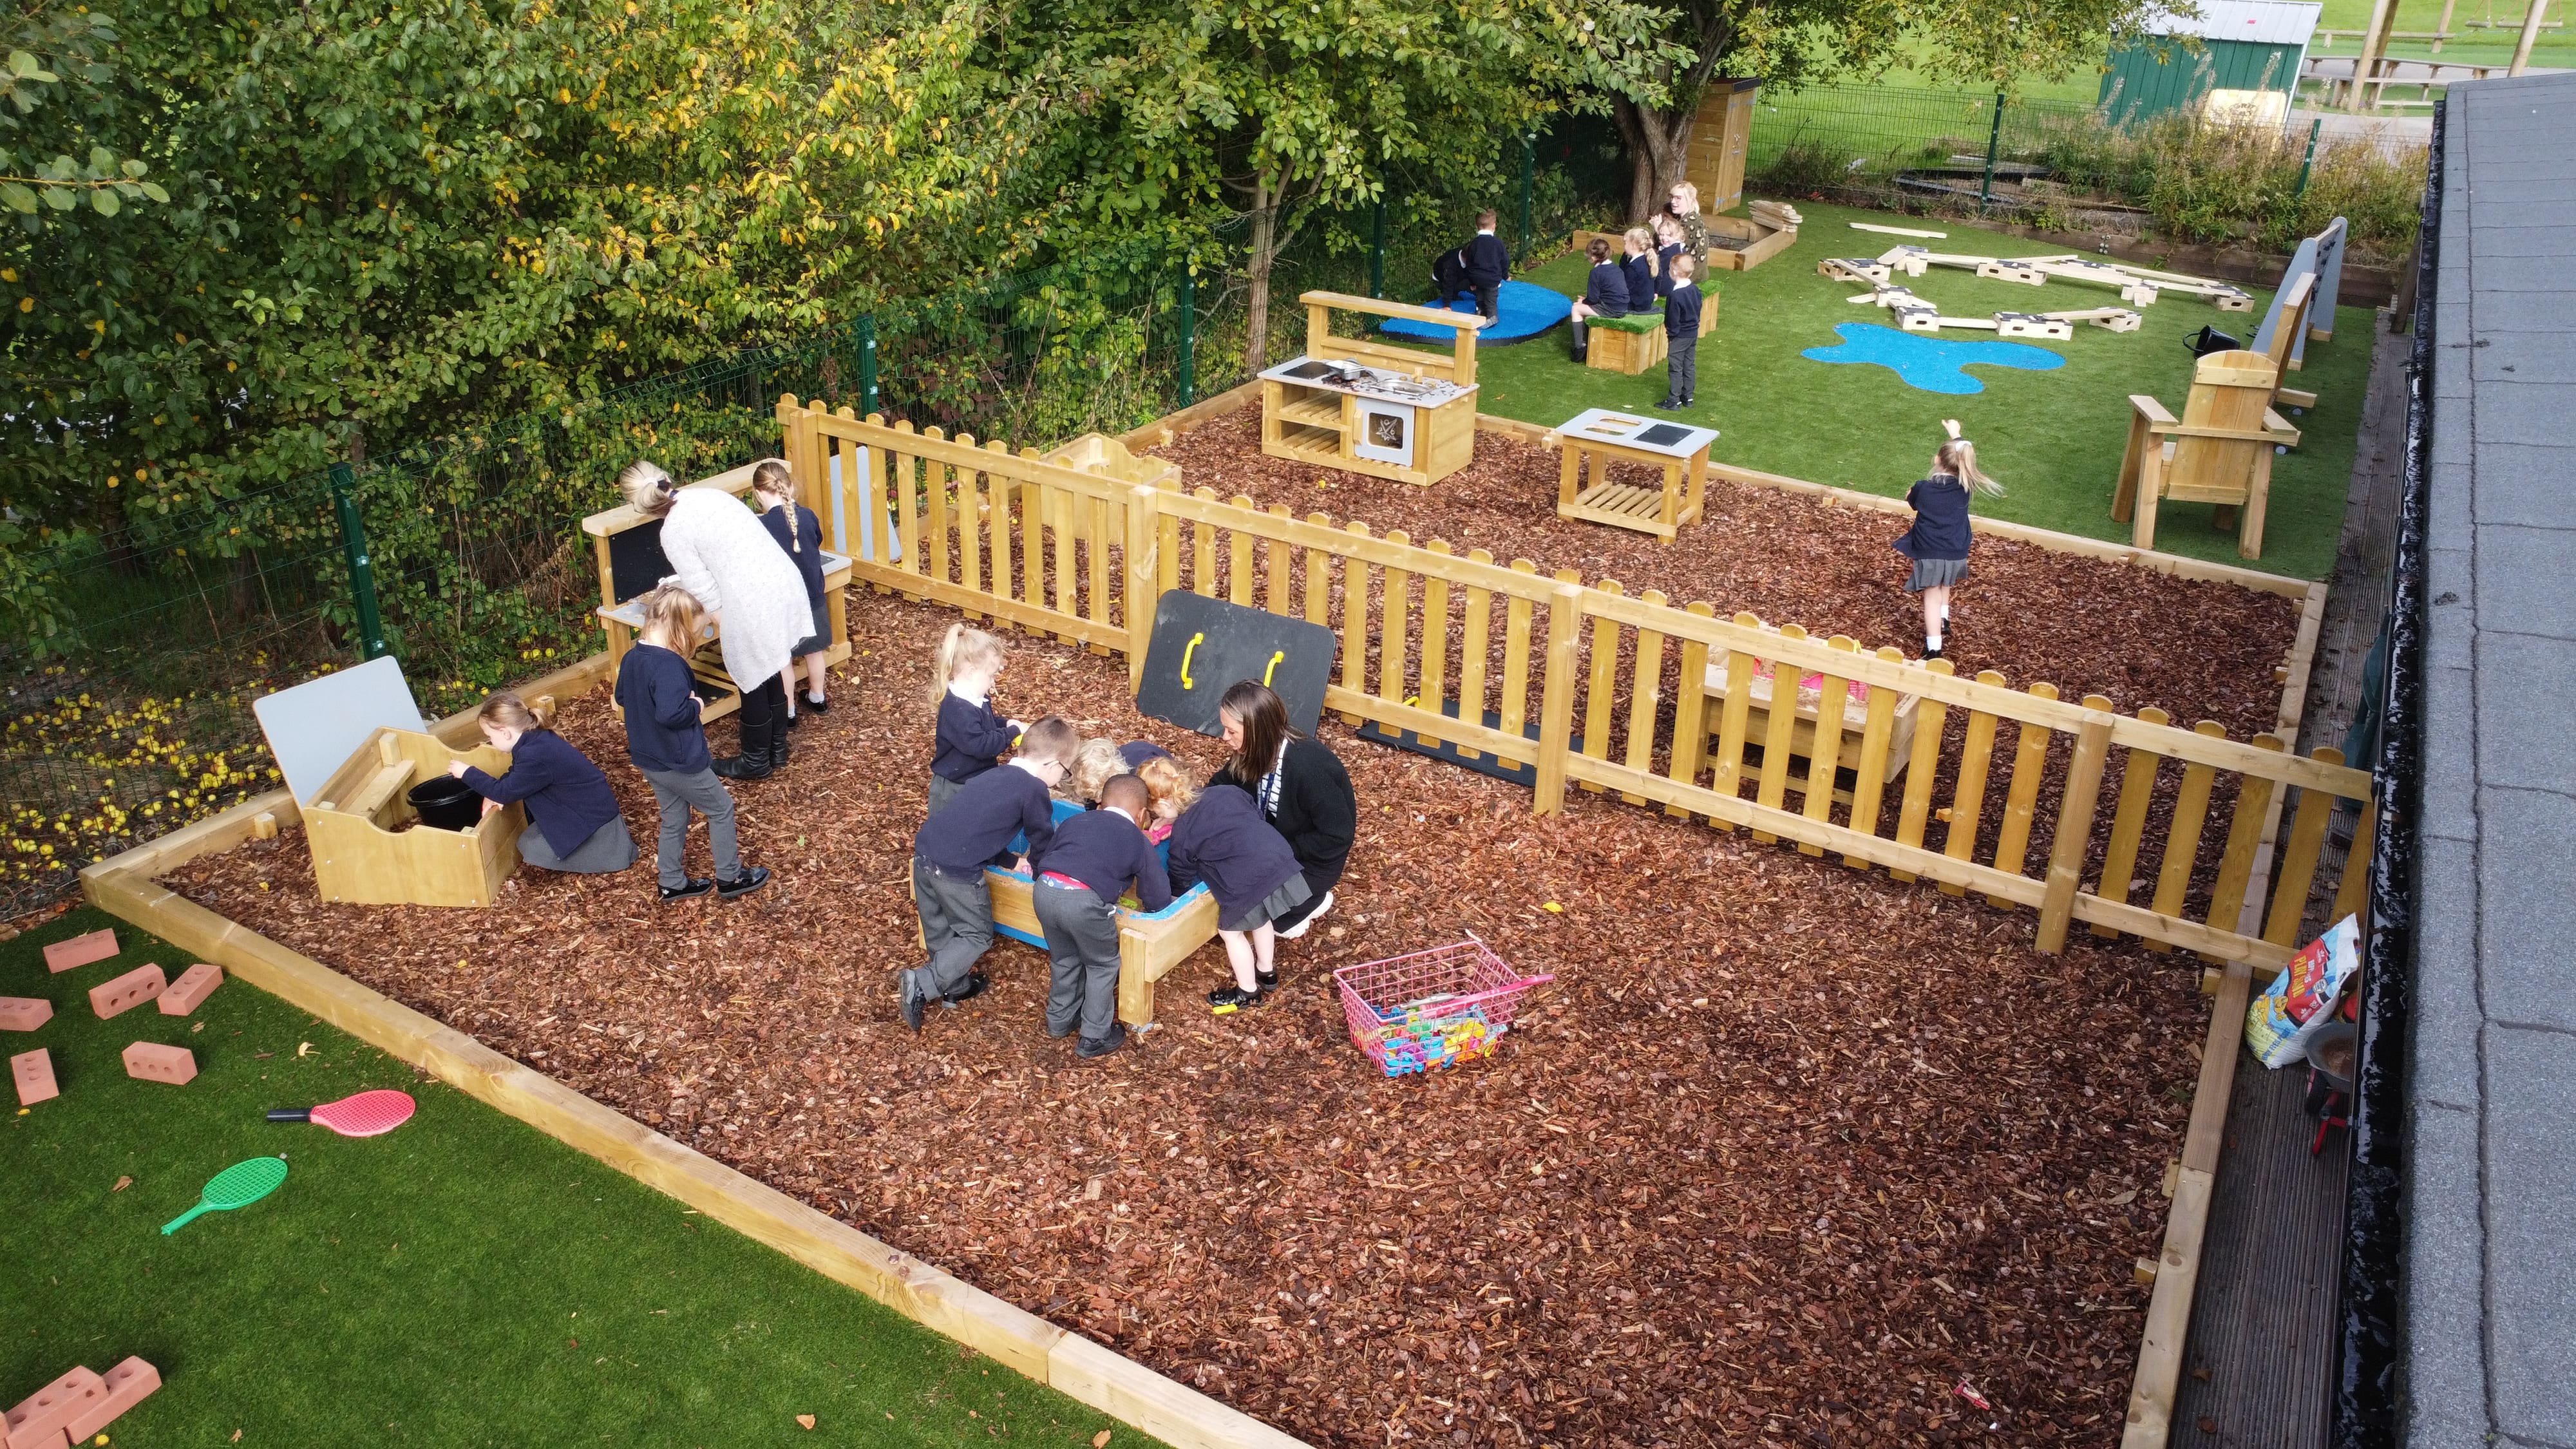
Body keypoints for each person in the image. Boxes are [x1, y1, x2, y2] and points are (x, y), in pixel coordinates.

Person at [618, 460, 808, 781]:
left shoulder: (673, 530)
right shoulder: (708, 496)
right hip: (780, 581)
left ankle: (755, 760)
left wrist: (729, 627)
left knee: (750, 675)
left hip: (751, 599)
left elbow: (704, 590)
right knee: (772, 662)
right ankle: (777, 749)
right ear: (667, 479)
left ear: (640, 507)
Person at [901, 715, 1081, 1031]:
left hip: (927, 852)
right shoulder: (1034, 790)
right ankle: (922, 982)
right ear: (1053, 765)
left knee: (940, 926)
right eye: (1064, 773)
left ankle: (954, 987)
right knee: (976, 934)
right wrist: (1041, 873)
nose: (1059, 780)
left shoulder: (992, 775)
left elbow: (975, 827)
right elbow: (1041, 840)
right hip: (957, 871)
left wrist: (1010, 861)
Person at [614, 585, 770, 902]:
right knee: (721, 809)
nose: (695, 641)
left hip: (649, 758)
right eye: (696, 634)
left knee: (674, 816)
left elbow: (621, 696)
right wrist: (695, 705)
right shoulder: (669, 666)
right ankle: (730, 876)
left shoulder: (633, 657)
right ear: (680, 628)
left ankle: (671, 881)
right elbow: (672, 715)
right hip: (681, 760)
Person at [1030, 773, 1172, 1059]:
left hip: (1045, 890)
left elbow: (1047, 853)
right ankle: (1095, 1036)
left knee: (1065, 958)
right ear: (1143, 815)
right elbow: (1156, 892)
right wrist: (1157, 910)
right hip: (1084, 901)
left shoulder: (1075, 822)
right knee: (1102, 965)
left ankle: (1059, 1021)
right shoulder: (1136, 838)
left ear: (1100, 804)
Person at [1204, 681, 1354, 941]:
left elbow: (1337, 836)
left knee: (1266, 921)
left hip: (1311, 861)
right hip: (1273, 845)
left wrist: (1280, 849)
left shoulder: (1310, 768)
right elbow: (1222, 785)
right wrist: (1193, 805)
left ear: (1256, 730)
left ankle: (1312, 901)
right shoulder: (1252, 750)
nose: (1224, 737)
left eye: (1231, 731)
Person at [448, 691, 639, 875]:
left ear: (505, 733)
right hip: (593, 815)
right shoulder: (536, 740)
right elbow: (516, 775)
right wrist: (491, 792)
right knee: (532, 838)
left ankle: (606, 857)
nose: (490, 741)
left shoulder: (534, 755)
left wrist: (466, 773)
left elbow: (505, 792)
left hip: (595, 827)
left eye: (490, 736)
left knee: (530, 847)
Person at [1166, 780, 1307, 1011]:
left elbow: (1180, 869)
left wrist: (1175, 898)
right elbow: (1254, 811)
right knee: (1262, 915)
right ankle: (1266, 971)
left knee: (1230, 932)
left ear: (1164, 803)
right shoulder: (1225, 791)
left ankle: (1248, 991)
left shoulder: (1183, 829)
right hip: (1277, 857)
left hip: (1247, 878)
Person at [1892, 420, 2003, 662]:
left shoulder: (1924, 489)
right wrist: (1956, 434)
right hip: (1956, 549)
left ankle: (1934, 649)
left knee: (1931, 594)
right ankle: (1944, 618)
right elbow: (1962, 453)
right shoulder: (1966, 487)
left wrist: (1911, 494)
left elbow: (1912, 501)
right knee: (1945, 582)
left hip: (1930, 549)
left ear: (1936, 460)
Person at [750, 460, 831, 729]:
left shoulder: (762, 526)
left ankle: (789, 711)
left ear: (759, 493)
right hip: (813, 596)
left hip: (781, 604)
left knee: (783, 657)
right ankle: (817, 697)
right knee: (814, 650)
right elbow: (816, 540)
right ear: (790, 486)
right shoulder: (807, 516)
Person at [925, 623, 1028, 816]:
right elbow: (980, 745)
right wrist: (1011, 733)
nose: (993, 681)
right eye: (991, 675)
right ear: (972, 672)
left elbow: (985, 725)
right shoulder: (958, 710)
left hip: (972, 781)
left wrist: (1005, 723)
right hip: (955, 788)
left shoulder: (975, 698)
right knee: (952, 832)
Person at [1567, 236, 1630, 363]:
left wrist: (1583, 302)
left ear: (1593, 257)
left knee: (1576, 309)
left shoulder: (1596, 273)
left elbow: (1593, 299)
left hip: (1611, 309)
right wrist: (1586, 300)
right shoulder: (1616, 269)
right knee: (1583, 306)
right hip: (1622, 306)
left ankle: (1580, 349)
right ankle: (1585, 341)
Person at [1656, 255, 1703, 412]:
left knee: (1675, 367)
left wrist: (1672, 334)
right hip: (1692, 333)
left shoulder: (1675, 295)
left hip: (1679, 336)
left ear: (1675, 272)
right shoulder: (1695, 290)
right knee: (1689, 365)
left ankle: (1673, 400)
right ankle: (1688, 397)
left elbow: (1672, 318)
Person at [1463, 209, 1511, 323]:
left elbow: (1469, 264)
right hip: (1492, 278)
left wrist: (1472, 282)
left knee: (1480, 295)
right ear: (1494, 226)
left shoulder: (1474, 244)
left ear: (1477, 226)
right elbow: (1505, 261)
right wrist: (1505, 275)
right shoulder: (1498, 243)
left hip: (1477, 278)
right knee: (1491, 299)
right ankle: (1492, 317)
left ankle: (1480, 311)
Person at [1134, 753, 1191, 844]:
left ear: (1165, 804)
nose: (1156, 814)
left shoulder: (1190, 828)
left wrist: (1177, 829)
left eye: (1157, 812)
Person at [1063, 737, 1130, 807]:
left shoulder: (1130, 789)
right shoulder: (1089, 786)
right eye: (1091, 797)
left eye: (1101, 795)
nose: (1097, 801)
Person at [1666, 181, 1709, 274]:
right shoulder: (1689, 218)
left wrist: (1658, 229)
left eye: (1678, 198)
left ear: (1690, 199)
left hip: (1689, 276)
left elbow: (1670, 248)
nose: (1673, 202)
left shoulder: (1689, 222)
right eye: (1672, 197)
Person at [1620, 227, 1658, 315]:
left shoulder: (1634, 266)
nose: (1624, 246)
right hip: (1645, 304)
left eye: (1625, 243)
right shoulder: (1647, 260)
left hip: (1636, 306)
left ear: (1633, 245)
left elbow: (1626, 289)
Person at [1651, 214, 1685, 302]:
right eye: (1661, 235)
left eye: (1669, 235)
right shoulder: (1679, 247)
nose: (1664, 238)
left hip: (1664, 287)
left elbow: (1656, 269)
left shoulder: (1669, 253)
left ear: (1677, 235)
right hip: (1675, 282)